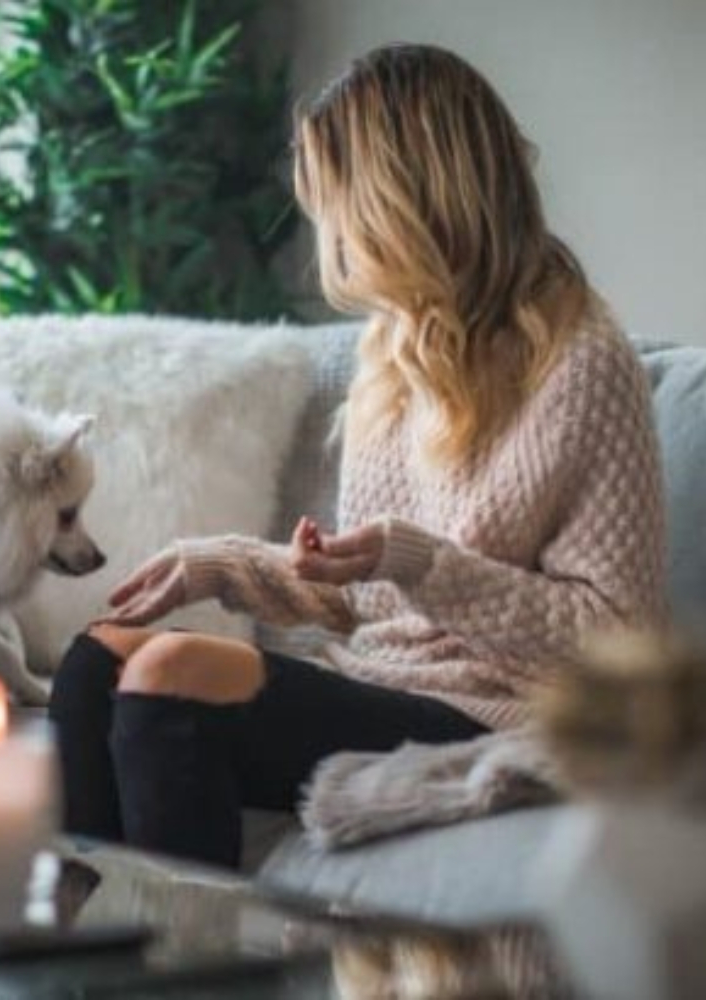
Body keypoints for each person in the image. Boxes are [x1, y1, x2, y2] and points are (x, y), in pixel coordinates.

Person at [47, 43, 666, 869]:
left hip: (506, 716)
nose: (329, 231)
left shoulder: (581, 361)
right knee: (97, 662)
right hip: (380, 682)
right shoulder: (394, 347)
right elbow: (368, 596)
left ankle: (192, 970)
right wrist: (226, 566)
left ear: (402, 200)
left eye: (337, 202)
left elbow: (616, 640)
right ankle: (84, 954)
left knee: (174, 681)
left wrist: (422, 564)